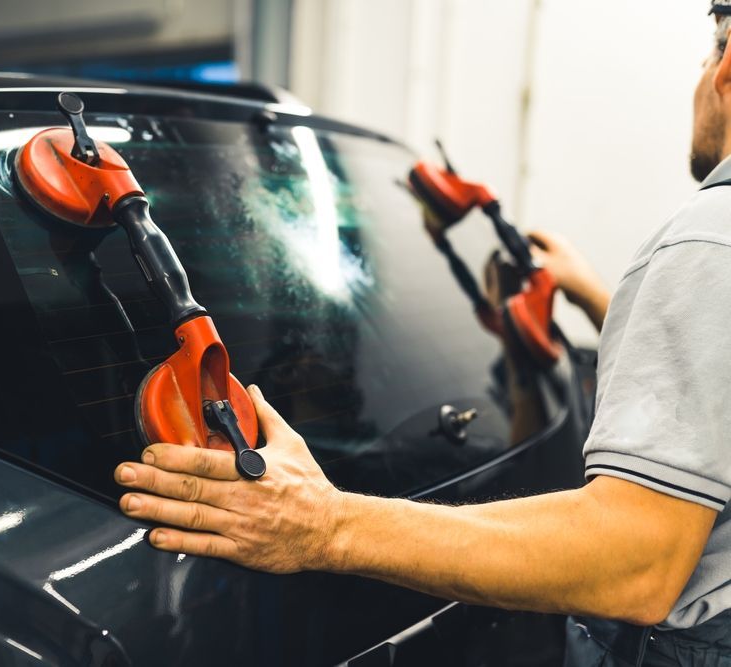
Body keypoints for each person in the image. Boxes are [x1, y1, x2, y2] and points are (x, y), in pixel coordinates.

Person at [113, 3, 731, 664]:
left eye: (706, 54)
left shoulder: (707, 240)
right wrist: (599, 298)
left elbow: (635, 563)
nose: (697, 74)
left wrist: (325, 523)